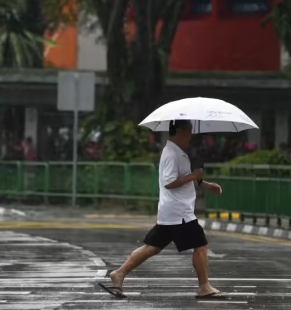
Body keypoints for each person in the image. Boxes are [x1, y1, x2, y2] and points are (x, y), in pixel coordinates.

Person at [97, 119, 226, 299]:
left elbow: (182, 178)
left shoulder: (176, 152)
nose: (192, 135)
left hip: (172, 211)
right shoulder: (172, 153)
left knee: (152, 247)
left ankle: (118, 273)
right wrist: (193, 176)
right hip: (179, 212)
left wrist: (206, 184)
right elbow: (169, 183)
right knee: (201, 245)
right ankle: (204, 286)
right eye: (189, 131)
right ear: (180, 130)